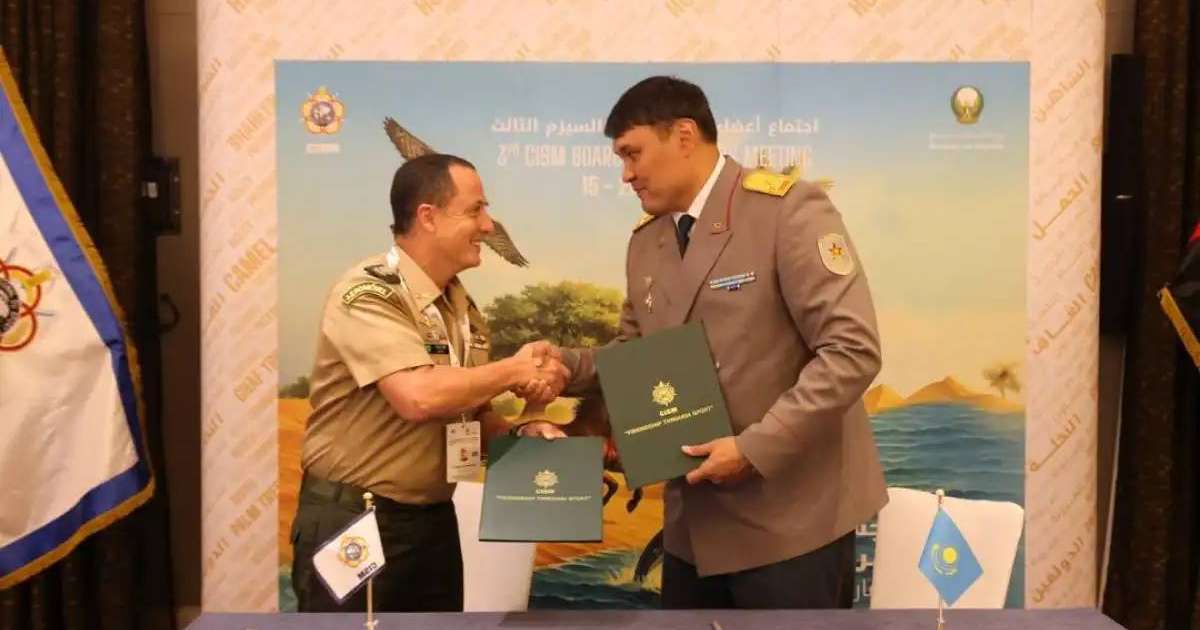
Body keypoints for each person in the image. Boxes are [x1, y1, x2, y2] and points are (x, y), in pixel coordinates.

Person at [557, 76, 888, 609]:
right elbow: (636, 358)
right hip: (692, 530)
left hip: (791, 527)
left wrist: (755, 449)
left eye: (633, 154)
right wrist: (564, 367)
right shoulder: (647, 242)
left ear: (684, 136)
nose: (626, 175)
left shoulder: (787, 211)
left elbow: (852, 351)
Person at [289, 153, 569, 612]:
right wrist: (515, 370)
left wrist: (525, 433)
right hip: (357, 520)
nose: (488, 225)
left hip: (432, 523)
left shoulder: (462, 309)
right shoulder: (370, 293)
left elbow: (469, 418)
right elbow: (417, 397)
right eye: (475, 210)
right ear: (428, 217)